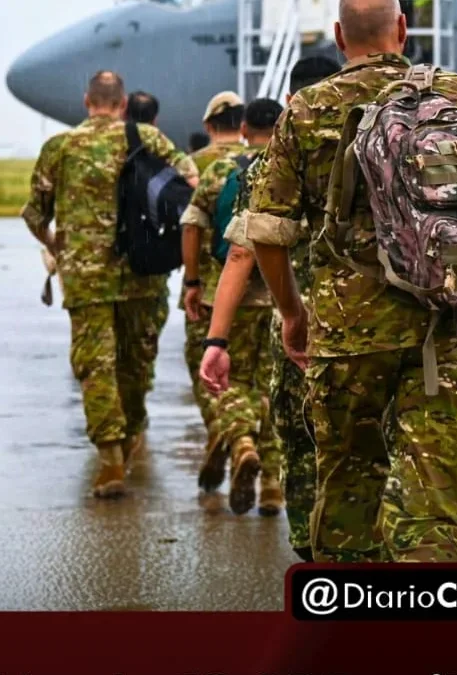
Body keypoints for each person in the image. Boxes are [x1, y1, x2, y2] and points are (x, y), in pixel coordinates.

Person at [242, 0, 457, 563]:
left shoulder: (307, 109)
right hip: (452, 325)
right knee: (435, 503)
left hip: (350, 336)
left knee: (350, 488)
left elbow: (268, 232)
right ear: (402, 29)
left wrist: (292, 313)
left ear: (337, 37)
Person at [20, 71, 198, 498]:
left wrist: (57, 246)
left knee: (96, 367)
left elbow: (34, 215)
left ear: (86, 102)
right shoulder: (146, 138)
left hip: (85, 279)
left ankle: (110, 459)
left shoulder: (60, 147)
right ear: (121, 105)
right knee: (136, 364)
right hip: (142, 270)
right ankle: (133, 432)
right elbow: (191, 182)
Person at [200, 56, 339, 558]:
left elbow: (240, 250)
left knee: (296, 428)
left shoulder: (273, 162)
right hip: (377, 327)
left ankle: (309, 544)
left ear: (290, 104)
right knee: (365, 450)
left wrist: (216, 338)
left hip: (295, 321)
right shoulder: (388, 142)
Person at [180, 98, 285, 516]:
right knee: (273, 388)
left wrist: (192, 282)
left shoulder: (222, 171)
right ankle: (274, 485)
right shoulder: (290, 167)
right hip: (283, 299)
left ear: (243, 129)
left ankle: (241, 443)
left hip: (227, 295)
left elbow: (192, 224)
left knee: (229, 383)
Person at [181, 92, 247, 446]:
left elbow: (187, 225)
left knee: (204, 368)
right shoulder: (263, 159)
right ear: (243, 125)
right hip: (257, 283)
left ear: (209, 126)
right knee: (253, 375)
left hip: (206, 286)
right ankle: (264, 473)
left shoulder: (193, 164)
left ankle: (227, 435)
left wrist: (191, 279)